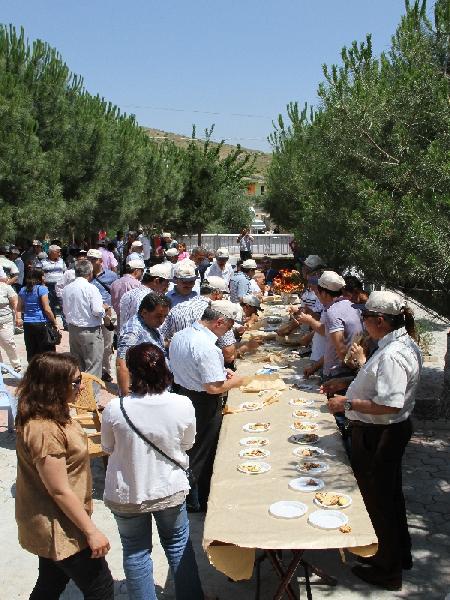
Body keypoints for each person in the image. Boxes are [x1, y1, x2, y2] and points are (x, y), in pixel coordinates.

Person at [327, 292, 422, 591]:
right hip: (386, 431)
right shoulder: (397, 344)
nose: (363, 323)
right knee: (389, 498)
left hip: (380, 434)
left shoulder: (393, 353)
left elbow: (390, 403)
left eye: (366, 318)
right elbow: (378, 384)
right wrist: (347, 385)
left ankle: (388, 570)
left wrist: (347, 404)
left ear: (379, 321)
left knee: (378, 501)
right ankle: (395, 554)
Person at [101, 343, 204, 600]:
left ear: (133, 373)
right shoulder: (182, 403)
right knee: (179, 545)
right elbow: (188, 443)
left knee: (135, 551)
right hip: (168, 487)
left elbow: (107, 446)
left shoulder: (116, 408)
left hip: (128, 492)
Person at [15, 352, 114, 599]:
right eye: (75, 382)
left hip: (56, 523)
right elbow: (58, 489)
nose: (81, 386)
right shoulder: (45, 430)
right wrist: (91, 531)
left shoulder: (53, 413)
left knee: (51, 581)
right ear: (52, 386)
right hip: (60, 525)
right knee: (100, 587)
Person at [169, 300, 244, 511]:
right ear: (219, 322)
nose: (228, 331)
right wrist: (237, 381)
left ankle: (191, 495)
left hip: (184, 394)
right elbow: (213, 387)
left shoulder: (181, 335)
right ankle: (197, 500)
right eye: (229, 326)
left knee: (191, 448)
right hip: (203, 402)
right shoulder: (206, 346)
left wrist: (221, 373)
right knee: (203, 451)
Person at [161, 276, 237, 368]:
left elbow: (163, 340)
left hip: (179, 371)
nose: (224, 298)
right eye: (223, 294)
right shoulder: (219, 312)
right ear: (217, 293)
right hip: (208, 370)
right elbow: (228, 353)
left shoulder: (176, 308)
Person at [116, 293, 170, 396]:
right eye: (158, 316)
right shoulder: (133, 332)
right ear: (144, 312)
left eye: (165, 316)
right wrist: (126, 397)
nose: (162, 320)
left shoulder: (150, 324)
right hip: (144, 394)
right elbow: (121, 364)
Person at [62, 260, 105, 381]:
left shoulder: (67, 288)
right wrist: (104, 310)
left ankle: (78, 394)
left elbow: (65, 310)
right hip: (90, 330)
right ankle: (91, 397)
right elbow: (97, 310)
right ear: (90, 272)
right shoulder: (91, 288)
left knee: (78, 363)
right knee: (93, 365)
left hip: (73, 329)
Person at [87, 249, 119, 383]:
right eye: (89, 259)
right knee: (92, 343)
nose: (90, 262)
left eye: (93, 259)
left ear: (100, 261)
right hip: (91, 314)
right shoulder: (84, 276)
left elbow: (116, 293)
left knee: (107, 343)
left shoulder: (112, 276)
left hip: (107, 314)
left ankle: (105, 370)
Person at [17, 268, 58, 360]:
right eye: (43, 275)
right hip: (41, 322)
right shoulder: (42, 289)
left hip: (28, 323)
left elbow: (19, 308)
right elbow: (47, 309)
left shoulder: (22, 290)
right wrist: (55, 322)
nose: (44, 277)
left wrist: (19, 318)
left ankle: (33, 370)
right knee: (46, 351)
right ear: (38, 278)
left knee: (31, 349)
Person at [110, 259, 145, 329]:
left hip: (119, 320)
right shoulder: (137, 284)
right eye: (142, 271)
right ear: (136, 271)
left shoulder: (114, 283)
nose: (142, 274)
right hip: (134, 322)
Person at [41, 244, 66, 327]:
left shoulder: (62, 261)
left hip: (61, 286)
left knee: (63, 304)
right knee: (50, 305)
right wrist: (43, 285)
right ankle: (52, 323)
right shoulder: (43, 262)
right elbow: (41, 275)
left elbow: (65, 273)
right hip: (48, 286)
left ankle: (66, 324)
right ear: (51, 252)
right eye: (57, 252)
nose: (59, 254)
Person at [0, 280, 21, 371]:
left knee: (8, 342)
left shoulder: (6, 287)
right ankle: (1, 367)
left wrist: (18, 317)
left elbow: (15, 303)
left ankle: (16, 364)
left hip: (5, 321)